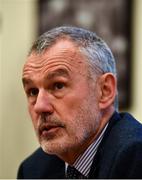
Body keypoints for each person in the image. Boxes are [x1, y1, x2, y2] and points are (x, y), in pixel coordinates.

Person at [17, 26, 142, 179]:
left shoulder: (135, 155)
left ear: (105, 90)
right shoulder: (33, 170)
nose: (40, 106)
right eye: (33, 92)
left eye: (58, 85)